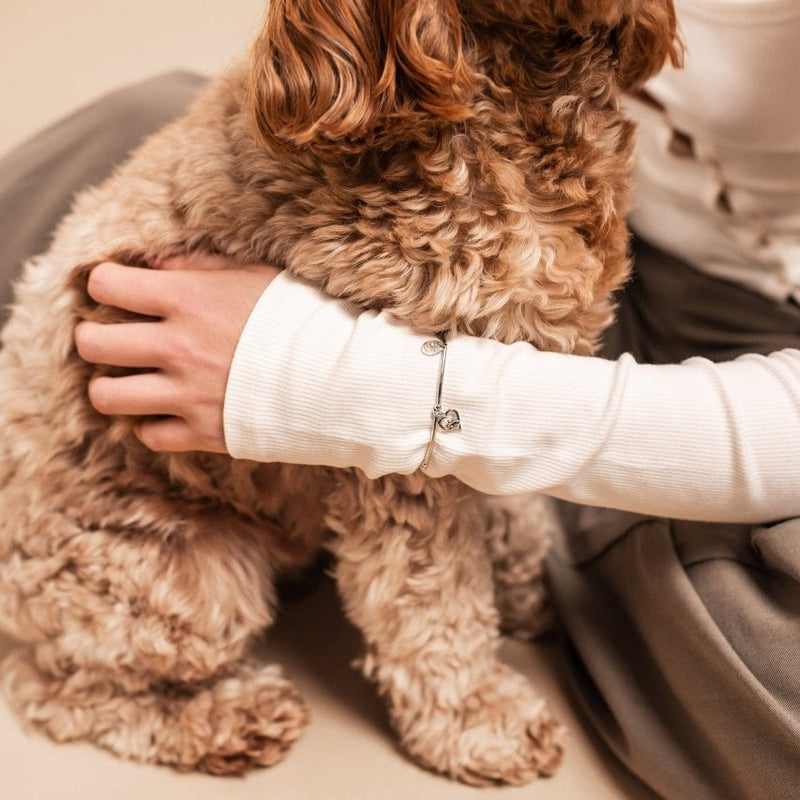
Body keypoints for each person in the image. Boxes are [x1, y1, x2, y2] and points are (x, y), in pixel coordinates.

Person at [4, 2, 799, 798]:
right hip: (161, 510)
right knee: (131, 124)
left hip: (737, 310)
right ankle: (98, 690)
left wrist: (357, 382)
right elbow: (399, 479)